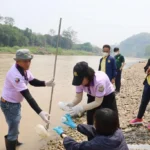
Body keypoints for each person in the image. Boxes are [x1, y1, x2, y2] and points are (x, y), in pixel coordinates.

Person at [0, 49, 54, 150]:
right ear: (17, 61)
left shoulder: (24, 69)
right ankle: (12, 144)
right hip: (8, 104)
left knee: (15, 123)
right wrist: (40, 112)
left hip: (14, 103)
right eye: (25, 61)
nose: (28, 63)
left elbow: (32, 81)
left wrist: (45, 83)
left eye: (29, 60)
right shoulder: (15, 74)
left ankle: (15, 142)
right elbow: (27, 95)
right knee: (13, 127)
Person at [59, 61, 118, 134]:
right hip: (91, 95)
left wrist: (80, 108)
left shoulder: (99, 81)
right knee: (90, 119)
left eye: (81, 80)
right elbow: (78, 97)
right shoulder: (79, 81)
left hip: (107, 96)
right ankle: (91, 140)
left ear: (87, 76)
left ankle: (116, 136)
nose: (79, 83)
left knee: (111, 118)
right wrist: (71, 104)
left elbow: (98, 102)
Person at [54, 108, 128, 150]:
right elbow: (94, 130)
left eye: (95, 121)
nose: (94, 123)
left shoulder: (95, 144)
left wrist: (63, 135)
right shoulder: (118, 132)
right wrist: (76, 126)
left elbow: (75, 147)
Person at [130, 58, 150, 129]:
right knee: (144, 101)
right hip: (148, 83)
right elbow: (145, 68)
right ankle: (139, 118)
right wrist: (147, 69)